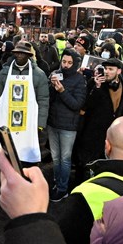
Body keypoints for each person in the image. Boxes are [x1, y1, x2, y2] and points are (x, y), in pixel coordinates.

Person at [0, 41, 49, 165]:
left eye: (23, 53)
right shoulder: (4, 72)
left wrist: (40, 124)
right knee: (6, 156)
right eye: (17, 53)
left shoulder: (39, 74)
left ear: (29, 55)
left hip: (28, 122)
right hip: (6, 120)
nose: (19, 55)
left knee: (25, 159)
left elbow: (43, 100)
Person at [73, 58, 123, 172]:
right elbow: (85, 105)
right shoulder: (94, 83)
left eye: (111, 69)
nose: (107, 71)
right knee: (84, 165)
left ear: (119, 71)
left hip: (109, 134)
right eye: (106, 69)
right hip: (91, 132)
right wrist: (97, 88)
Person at [46, 48, 88, 198]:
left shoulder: (79, 80)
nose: (66, 65)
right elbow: (48, 99)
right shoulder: (55, 74)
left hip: (68, 126)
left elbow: (77, 104)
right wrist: (51, 86)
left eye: (70, 62)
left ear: (75, 63)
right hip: (52, 123)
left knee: (65, 158)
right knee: (55, 158)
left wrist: (62, 91)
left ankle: (63, 189)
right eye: (64, 61)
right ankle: (57, 182)